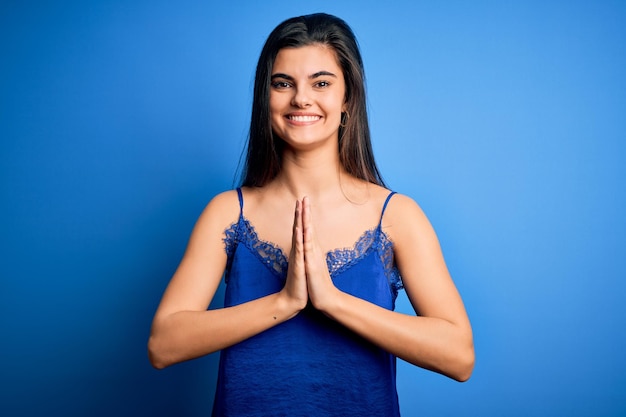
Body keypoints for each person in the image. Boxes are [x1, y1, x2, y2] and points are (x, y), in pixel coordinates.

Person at [148, 13, 474, 416]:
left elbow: (458, 357)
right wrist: (284, 303)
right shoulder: (228, 213)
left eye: (321, 83)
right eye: (283, 83)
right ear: (264, 98)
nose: (301, 98)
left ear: (347, 100)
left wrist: (333, 302)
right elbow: (163, 345)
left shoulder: (396, 216)